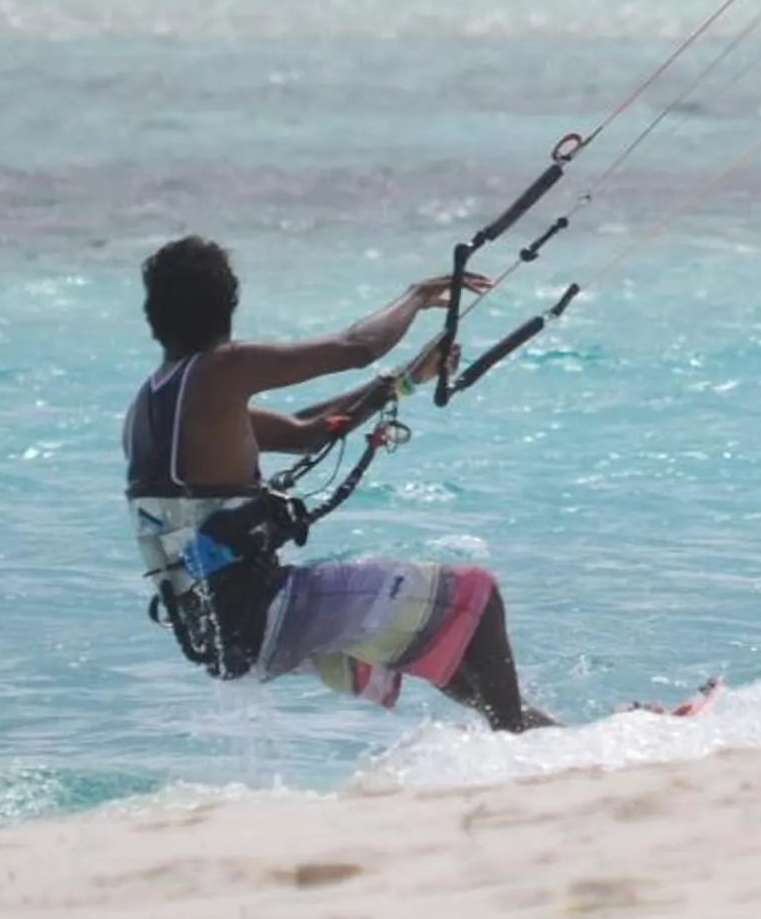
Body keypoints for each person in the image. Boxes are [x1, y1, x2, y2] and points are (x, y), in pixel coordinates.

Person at [124, 234, 555, 732]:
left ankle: (549, 738)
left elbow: (307, 432)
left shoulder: (150, 407)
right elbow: (356, 347)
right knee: (477, 596)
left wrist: (406, 379)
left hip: (215, 633)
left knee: (449, 643)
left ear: (154, 315)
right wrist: (415, 296)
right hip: (263, 616)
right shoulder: (219, 370)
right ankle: (517, 751)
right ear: (229, 306)